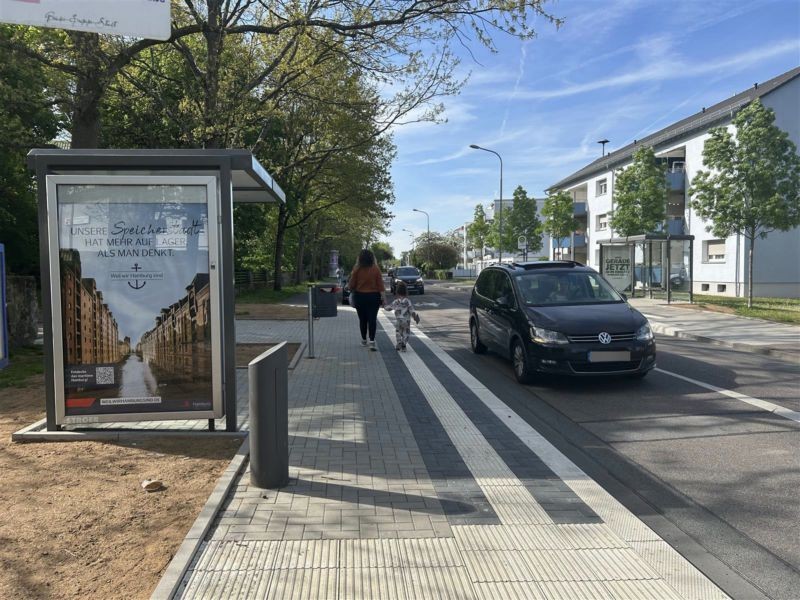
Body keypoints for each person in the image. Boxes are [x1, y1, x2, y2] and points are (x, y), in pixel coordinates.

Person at [348, 249, 386, 351]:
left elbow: (351, 285)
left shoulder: (356, 269)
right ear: (372, 257)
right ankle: (372, 341)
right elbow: (380, 285)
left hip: (360, 297)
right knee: (372, 319)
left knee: (362, 319)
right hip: (374, 297)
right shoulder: (376, 269)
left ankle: (364, 340)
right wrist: (384, 298)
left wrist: (352, 288)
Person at [384, 281, 420, 351]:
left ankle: (399, 343)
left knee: (398, 332)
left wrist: (384, 306)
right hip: (406, 321)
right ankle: (404, 344)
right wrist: (415, 318)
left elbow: (389, 308)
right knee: (406, 333)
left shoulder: (396, 301)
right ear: (406, 291)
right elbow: (411, 310)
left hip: (398, 320)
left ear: (397, 291)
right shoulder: (408, 301)